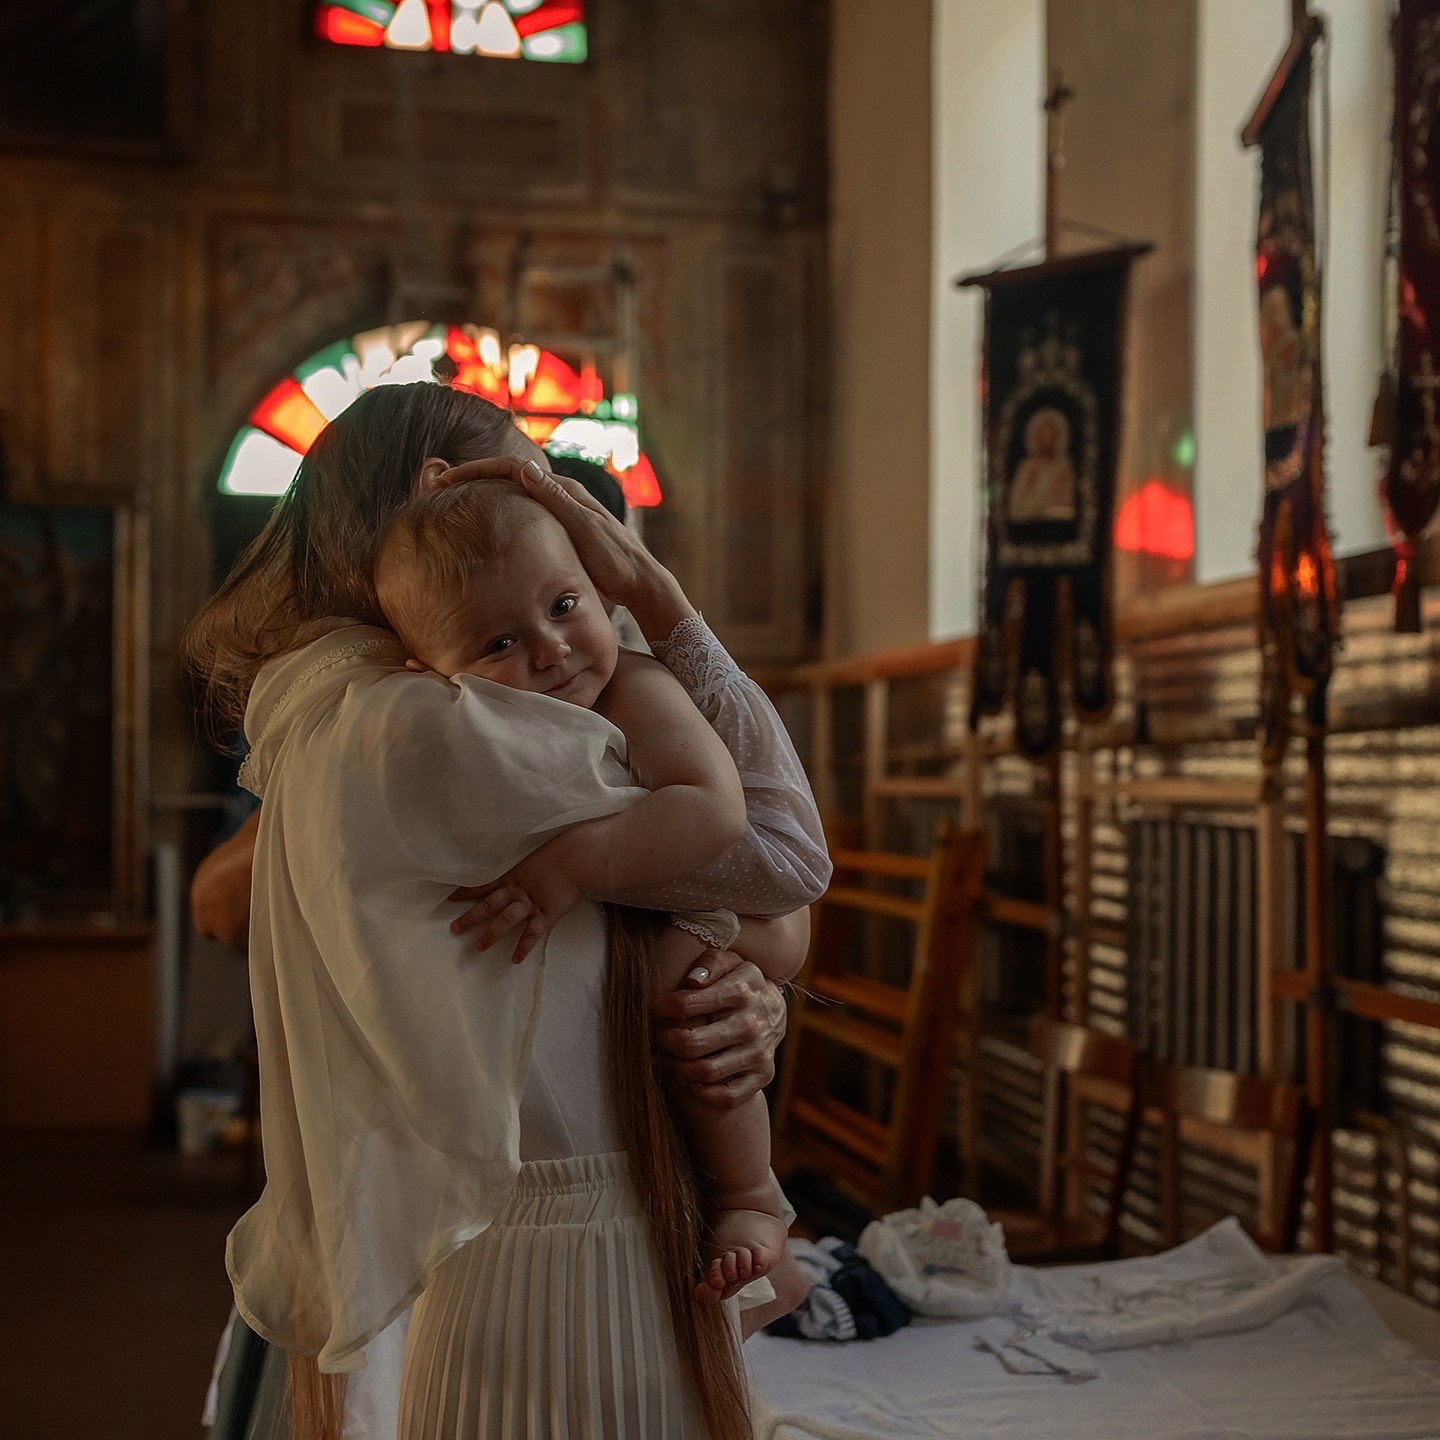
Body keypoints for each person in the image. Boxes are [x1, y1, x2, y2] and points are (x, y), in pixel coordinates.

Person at [185, 381, 829, 1440]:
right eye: (530, 483)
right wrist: (659, 599)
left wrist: (753, 974)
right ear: (439, 500)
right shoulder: (440, 719)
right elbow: (781, 860)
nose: (563, 513)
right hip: (526, 1230)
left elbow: (747, 904)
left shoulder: (400, 690)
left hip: (504, 1210)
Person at [374, 481, 805, 1303]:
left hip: (688, 914)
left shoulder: (635, 687)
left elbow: (719, 815)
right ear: (427, 675)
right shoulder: (450, 728)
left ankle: (754, 1200)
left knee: (686, 988)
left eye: (566, 605)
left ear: (602, 590)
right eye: (499, 641)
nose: (551, 650)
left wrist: (568, 867)